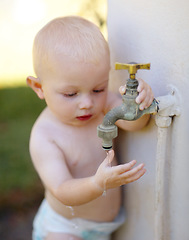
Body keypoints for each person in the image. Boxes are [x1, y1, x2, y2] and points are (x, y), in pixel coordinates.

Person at [26, 16, 154, 240]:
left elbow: (135, 124)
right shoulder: (45, 136)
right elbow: (62, 189)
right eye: (71, 94)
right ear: (39, 87)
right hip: (65, 227)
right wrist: (97, 183)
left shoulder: (102, 105)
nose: (87, 102)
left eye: (98, 89)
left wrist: (141, 99)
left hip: (104, 228)